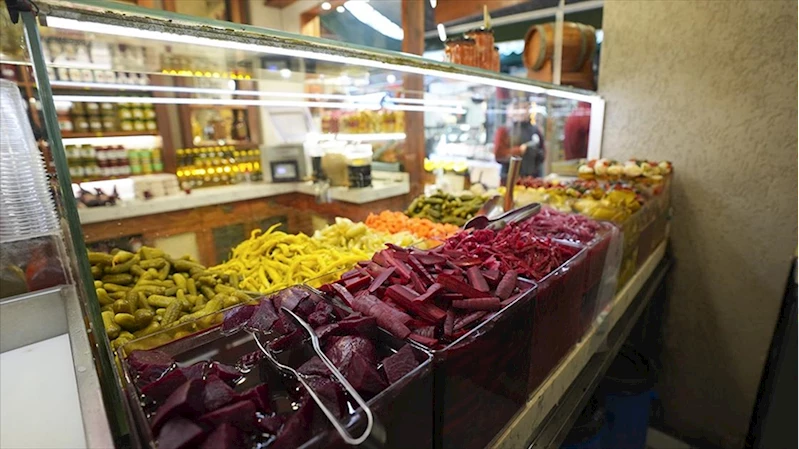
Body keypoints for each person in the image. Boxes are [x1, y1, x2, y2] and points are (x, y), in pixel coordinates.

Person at [494, 100, 545, 183]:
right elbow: (499, 156)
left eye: (525, 107)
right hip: (509, 180)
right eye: (516, 107)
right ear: (509, 110)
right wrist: (519, 150)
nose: (521, 111)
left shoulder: (535, 130)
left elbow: (543, 155)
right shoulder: (503, 131)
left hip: (532, 181)